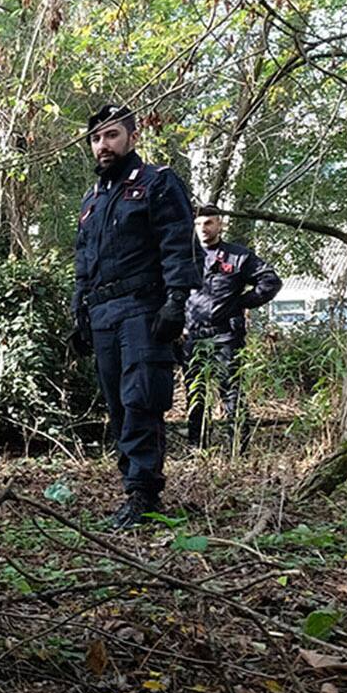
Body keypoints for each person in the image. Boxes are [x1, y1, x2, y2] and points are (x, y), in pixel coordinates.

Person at [71, 103, 201, 527]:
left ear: (132, 137)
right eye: (96, 138)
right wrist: (80, 312)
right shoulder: (93, 199)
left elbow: (178, 244)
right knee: (117, 405)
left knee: (141, 398)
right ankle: (131, 487)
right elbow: (84, 260)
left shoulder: (157, 183)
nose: (103, 145)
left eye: (111, 135)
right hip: (104, 312)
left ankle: (143, 493)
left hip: (145, 310)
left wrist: (176, 301)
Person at [182, 212, 282, 449]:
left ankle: (238, 448)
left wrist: (240, 303)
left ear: (219, 225)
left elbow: (270, 282)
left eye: (208, 223)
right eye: (197, 224)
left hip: (225, 335)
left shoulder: (238, 256)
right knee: (195, 394)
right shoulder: (185, 255)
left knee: (231, 392)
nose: (203, 228)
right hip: (192, 336)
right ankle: (197, 448)